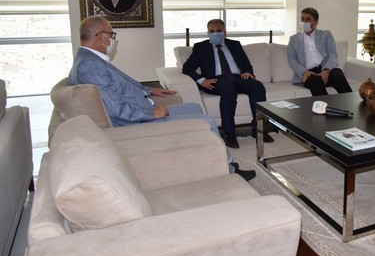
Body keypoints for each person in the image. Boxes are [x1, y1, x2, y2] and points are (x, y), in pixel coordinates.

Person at [69, 15, 255, 181]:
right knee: (207, 121)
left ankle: (204, 155)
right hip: (136, 121)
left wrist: (149, 90)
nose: (112, 40)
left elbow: (118, 88)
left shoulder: (89, 60)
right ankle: (229, 167)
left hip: (142, 109)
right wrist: (151, 114)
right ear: (100, 36)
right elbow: (115, 109)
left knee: (194, 108)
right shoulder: (89, 66)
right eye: (111, 35)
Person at [182, 18, 274, 149]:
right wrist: (202, 80)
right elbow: (187, 68)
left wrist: (248, 72)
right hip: (215, 80)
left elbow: (247, 64)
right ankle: (229, 133)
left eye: (218, 30)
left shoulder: (235, 44)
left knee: (257, 86)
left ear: (225, 32)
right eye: (211, 31)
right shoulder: (200, 47)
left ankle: (258, 129)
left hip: (237, 77)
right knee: (228, 89)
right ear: (207, 33)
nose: (215, 33)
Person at [287, 7, 353, 96]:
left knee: (338, 75)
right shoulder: (294, 39)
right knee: (315, 81)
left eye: (308, 19)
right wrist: (304, 72)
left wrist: (326, 71)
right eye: (302, 18)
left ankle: (350, 103)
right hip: (308, 72)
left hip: (326, 68)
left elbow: (333, 55)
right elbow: (292, 60)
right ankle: (327, 105)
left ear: (316, 22)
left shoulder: (326, 35)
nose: (304, 22)